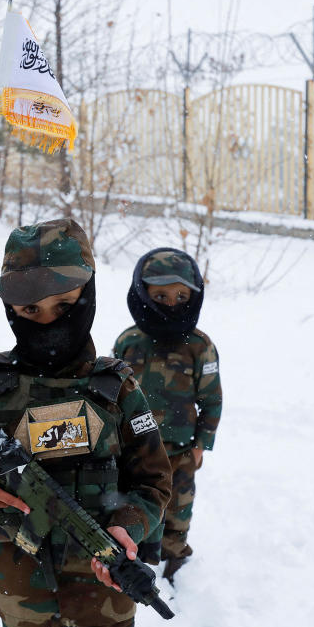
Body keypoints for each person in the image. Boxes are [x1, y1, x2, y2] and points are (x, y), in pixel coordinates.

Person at [0, 218, 172, 627]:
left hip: (106, 605)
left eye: (63, 306)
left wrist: (126, 527)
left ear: (88, 296)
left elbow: (154, 481)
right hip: (21, 608)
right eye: (29, 311)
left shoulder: (116, 388)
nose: (47, 322)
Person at [111, 248, 222, 584]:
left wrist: (202, 443)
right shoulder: (129, 342)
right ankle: (136, 557)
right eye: (160, 295)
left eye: (180, 295)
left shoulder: (199, 347)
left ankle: (175, 563)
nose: (171, 303)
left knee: (177, 509)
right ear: (144, 294)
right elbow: (112, 395)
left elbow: (212, 399)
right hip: (138, 449)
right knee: (139, 504)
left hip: (181, 450)